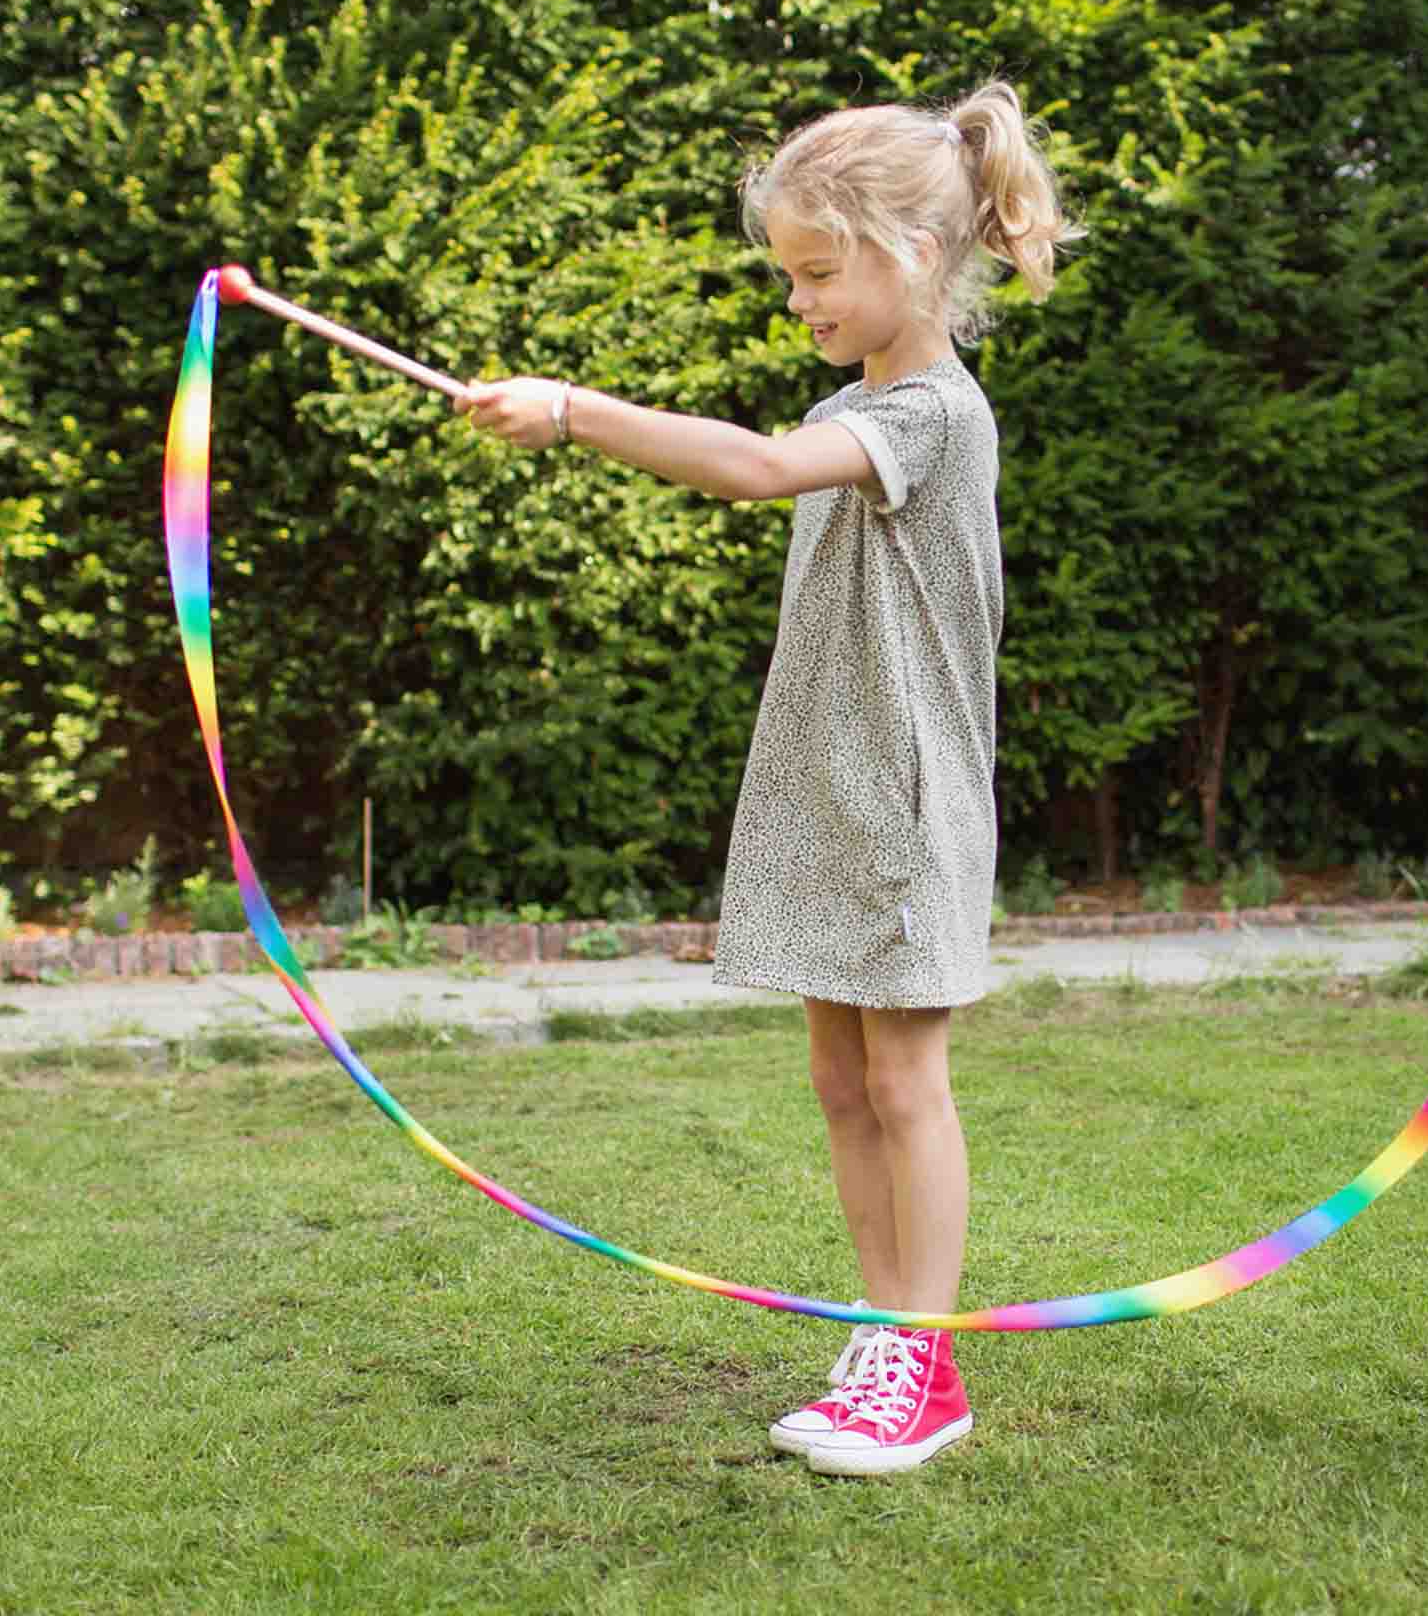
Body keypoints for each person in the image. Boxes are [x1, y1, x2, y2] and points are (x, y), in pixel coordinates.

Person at [457, 80, 1078, 1476]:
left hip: (908, 799)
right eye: (787, 273)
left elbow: (748, 470)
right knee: (842, 1081)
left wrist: (573, 411)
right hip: (827, 790)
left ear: (910, 256)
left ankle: (925, 1368)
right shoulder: (852, 403)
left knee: (906, 1082)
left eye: (816, 270)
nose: (796, 298)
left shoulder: (925, 415)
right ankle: (882, 1332)